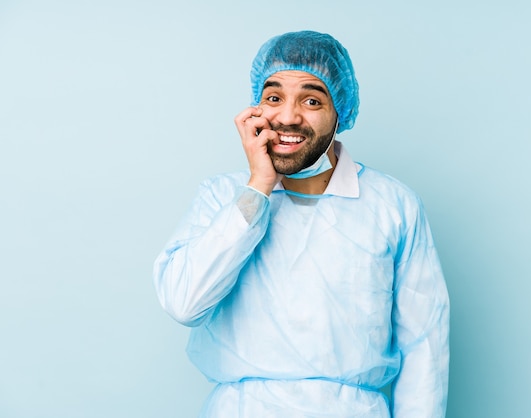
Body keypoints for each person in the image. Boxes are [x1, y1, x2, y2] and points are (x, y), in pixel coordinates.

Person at [153, 30, 449, 417]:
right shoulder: (222, 196)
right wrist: (258, 187)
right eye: (273, 98)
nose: (289, 117)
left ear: (340, 111)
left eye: (311, 100)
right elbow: (183, 304)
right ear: (255, 108)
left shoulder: (391, 204)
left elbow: (425, 348)